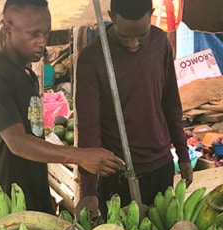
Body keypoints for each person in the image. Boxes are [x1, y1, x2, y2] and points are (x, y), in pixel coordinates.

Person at [0, 0, 123, 214]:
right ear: (7, 28)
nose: (42, 42)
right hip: (4, 200)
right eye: (33, 34)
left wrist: (42, 192)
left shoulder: (27, 74)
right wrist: (80, 156)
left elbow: (33, 134)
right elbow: (18, 143)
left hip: (31, 193)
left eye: (45, 33)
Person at [75, 0, 193, 218]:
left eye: (141, 36)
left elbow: (171, 103)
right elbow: (88, 127)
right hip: (117, 174)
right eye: (124, 36)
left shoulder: (160, 43)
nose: (132, 44)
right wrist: (88, 190)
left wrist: (183, 153)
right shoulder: (92, 59)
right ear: (111, 16)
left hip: (161, 166)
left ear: (152, 15)